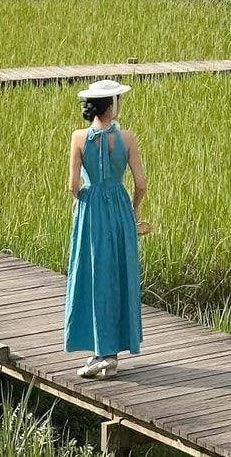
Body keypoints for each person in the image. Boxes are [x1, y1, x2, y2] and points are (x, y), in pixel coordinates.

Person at [64, 78, 146, 379]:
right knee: (116, 276)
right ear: (111, 105)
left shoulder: (77, 138)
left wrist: (81, 200)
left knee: (91, 274)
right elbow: (140, 184)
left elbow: (72, 185)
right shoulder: (127, 138)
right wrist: (133, 211)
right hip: (119, 209)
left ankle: (100, 353)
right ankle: (108, 355)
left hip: (91, 209)